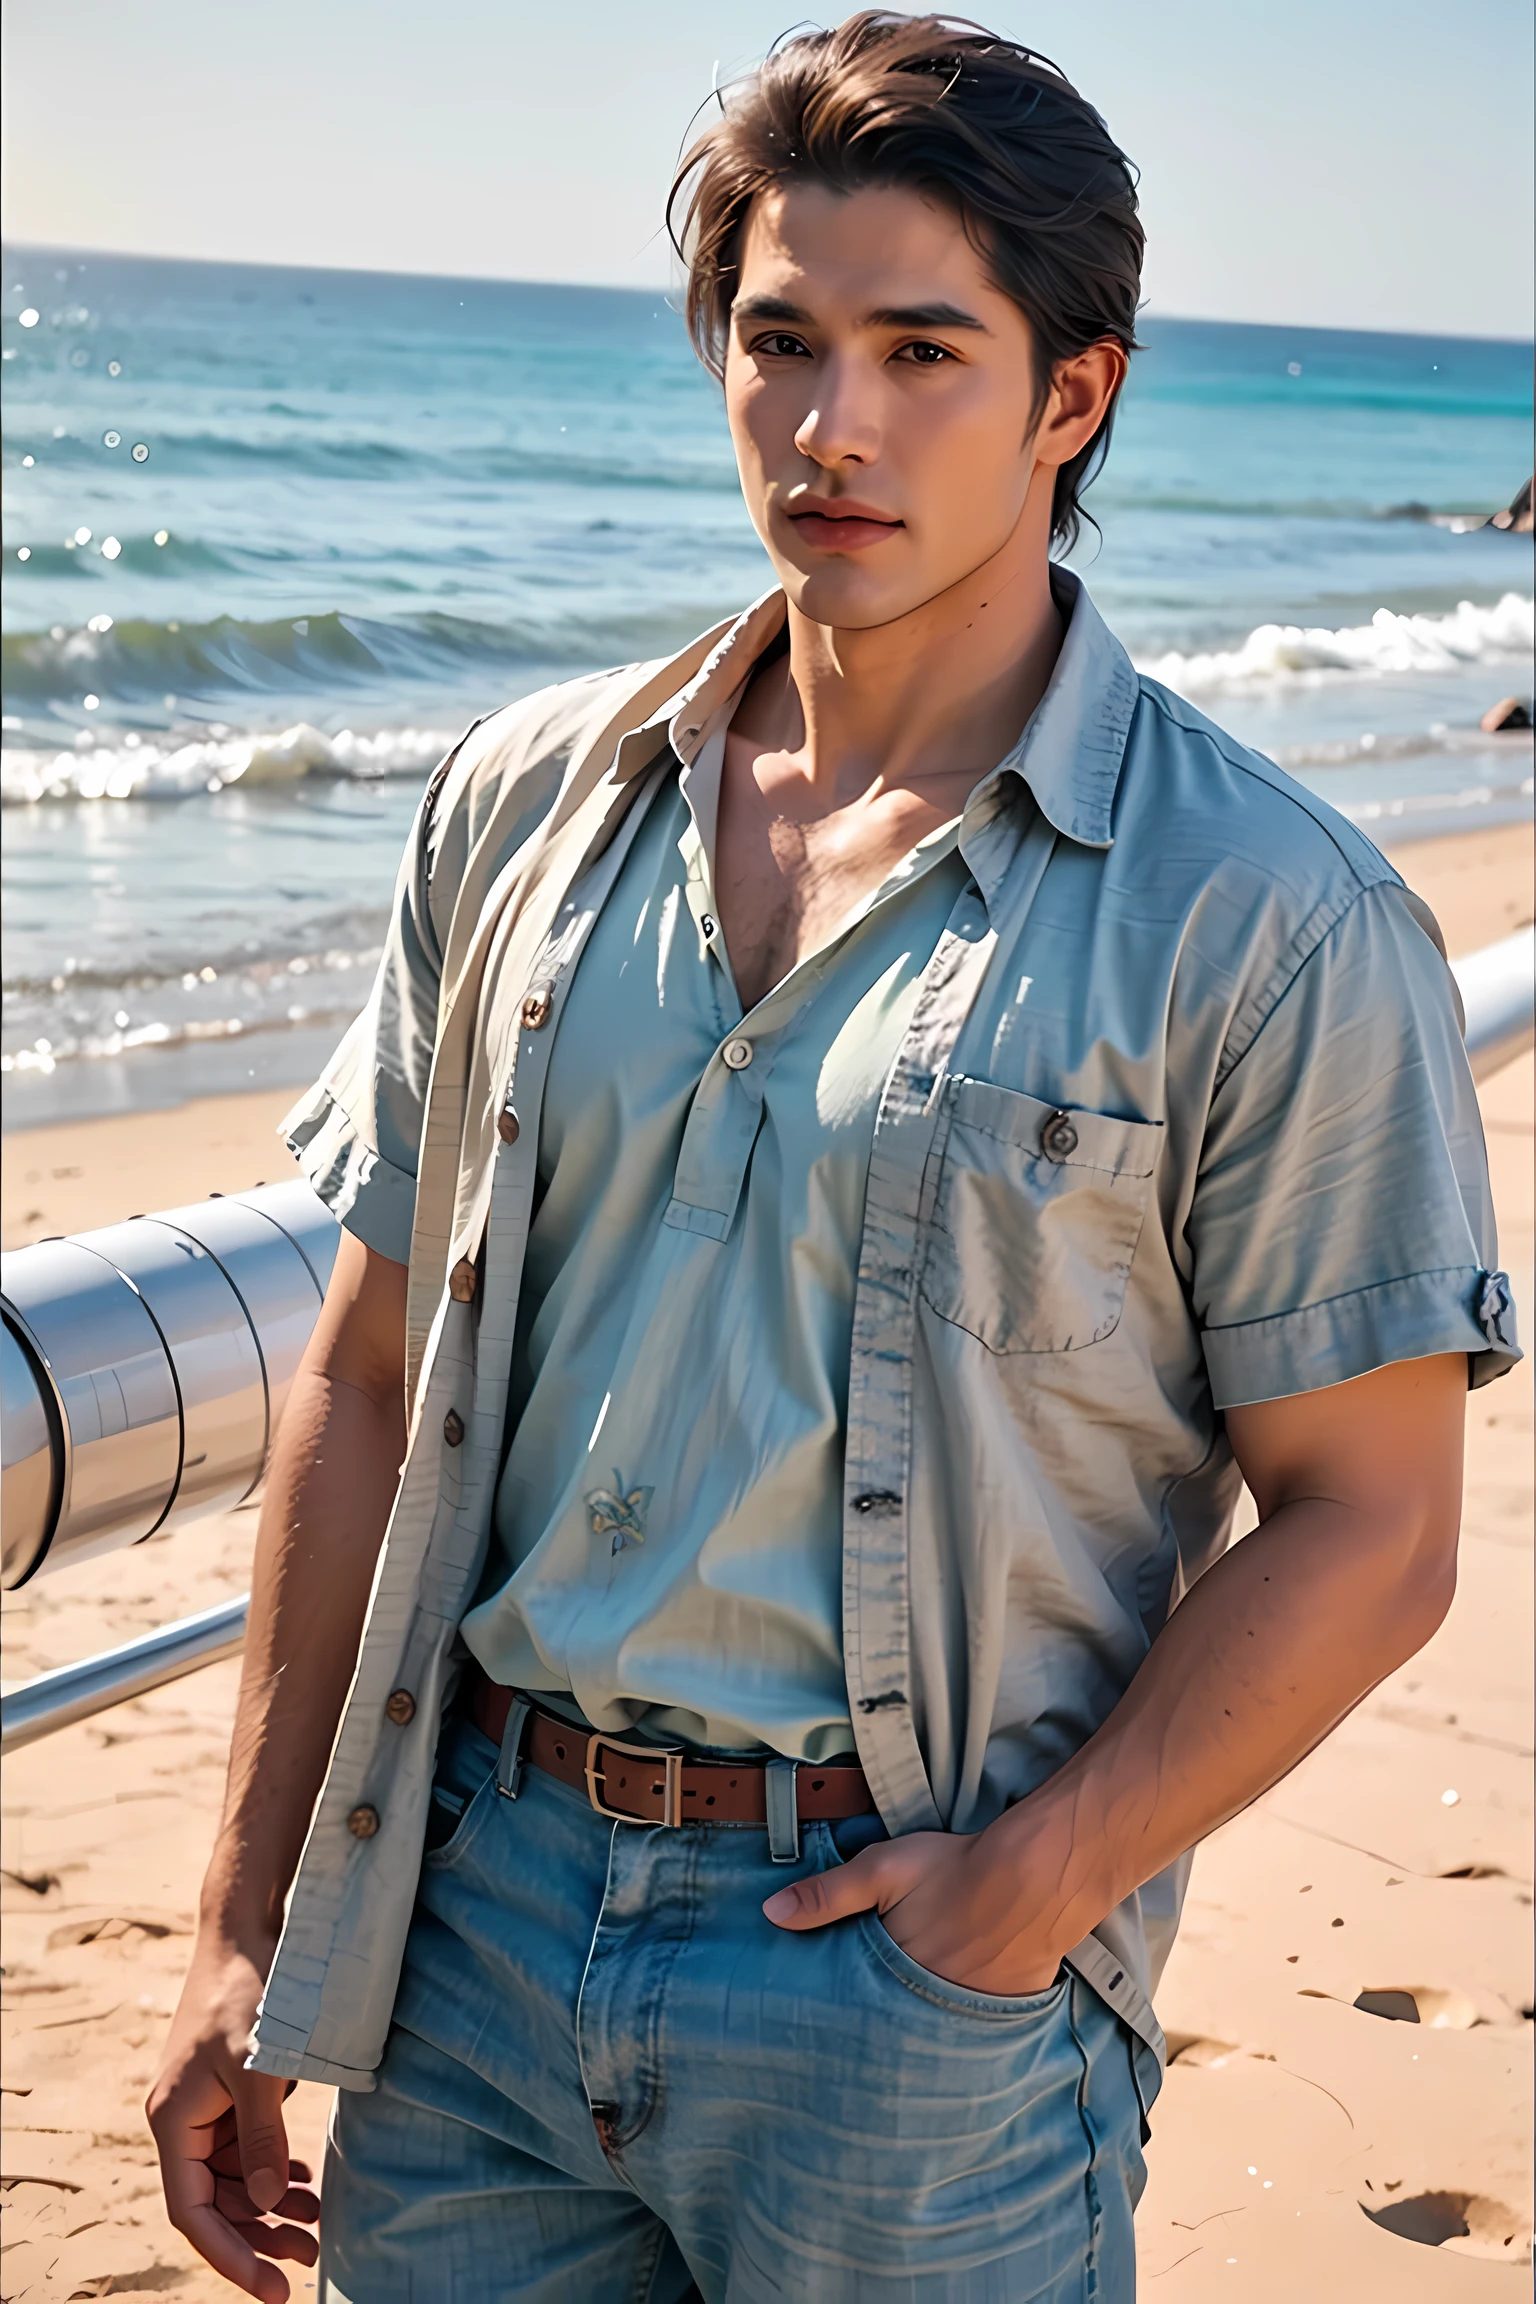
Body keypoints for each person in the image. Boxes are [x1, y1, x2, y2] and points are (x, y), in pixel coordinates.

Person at [147, 15, 1519, 2300]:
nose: (831, 424)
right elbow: (372, 1370)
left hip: (907, 1994)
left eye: (920, 351)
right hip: (470, 1932)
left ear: (1070, 397)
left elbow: (1375, 1532)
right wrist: (239, 1921)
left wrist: (1040, 1885)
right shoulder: (522, 804)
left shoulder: (1265, 917)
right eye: (780, 343)